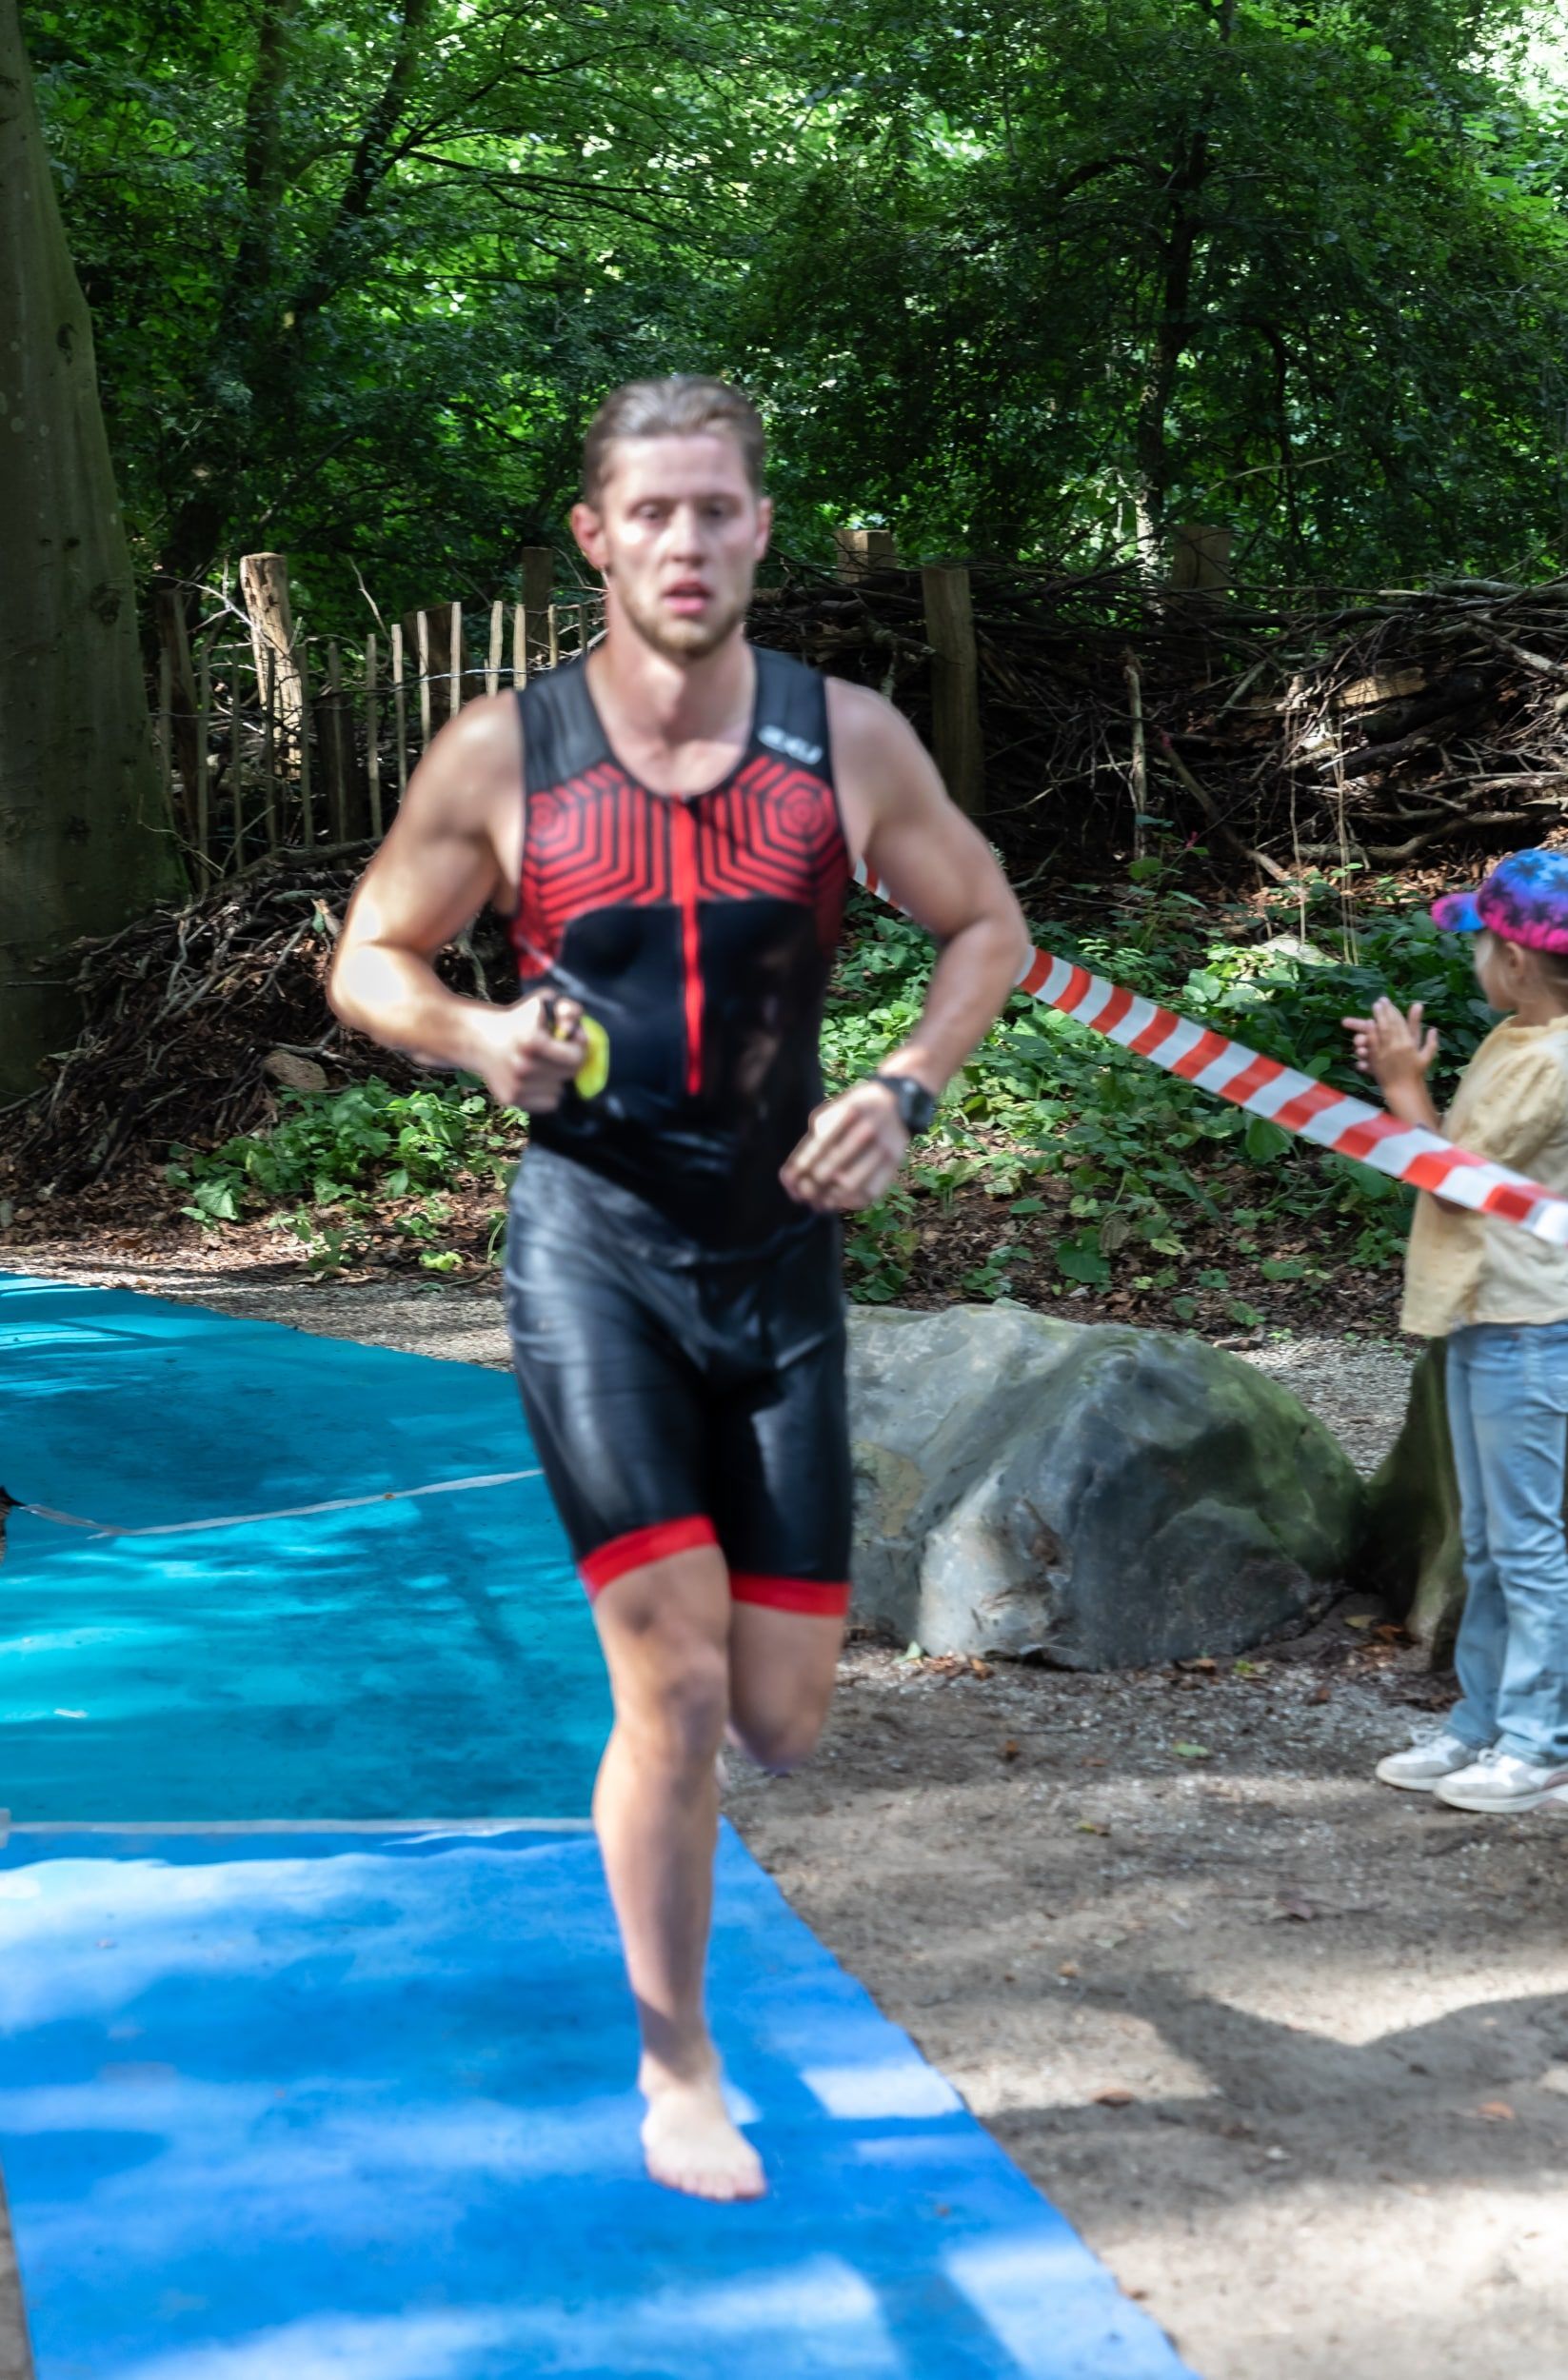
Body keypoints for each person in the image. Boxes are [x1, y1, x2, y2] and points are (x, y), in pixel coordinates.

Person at [328, 376, 1029, 2198]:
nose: (687, 543)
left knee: (786, 1714)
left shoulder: (845, 739)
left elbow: (987, 921)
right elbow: (372, 963)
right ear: (596, 536)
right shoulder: (504, 752)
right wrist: (483, 1034)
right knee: (679, 1688)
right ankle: (679, 2061)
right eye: (652, 513)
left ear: (759, 527)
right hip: (596, 1253)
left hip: (781, 1256)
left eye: (717, 510)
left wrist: (904, 1085)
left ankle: (692, 1812)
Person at [1345, 847, 1568, 1816]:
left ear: (1516, 960)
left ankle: (1539, 1741)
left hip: (1532, 1326)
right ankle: (1482, 1723)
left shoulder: (1553, 1060)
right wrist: (1416, 1083)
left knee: (1526, 1545)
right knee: (1485, 1540)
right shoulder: (1520, 1038)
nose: (1471, 958)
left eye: (1478, 941)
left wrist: (1402, 1087)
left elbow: (1453, 1173)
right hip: (1489, 1315)